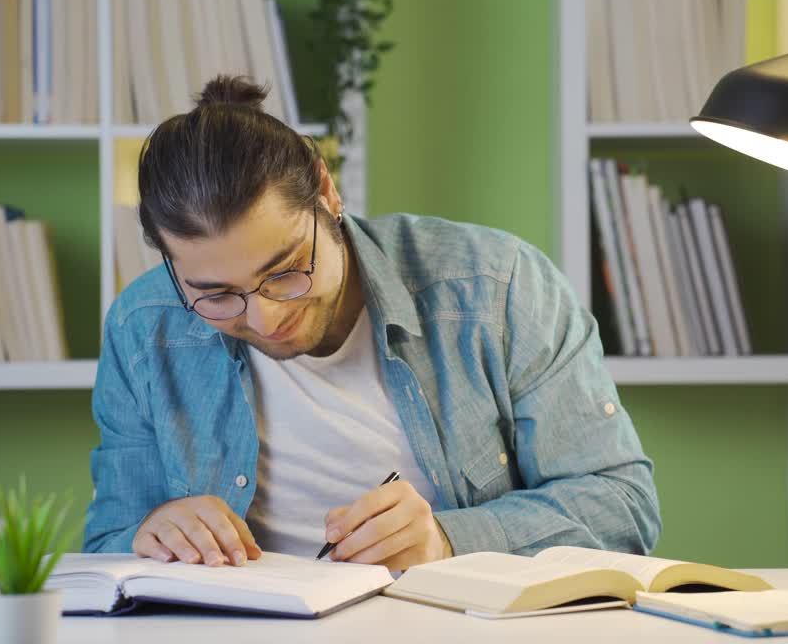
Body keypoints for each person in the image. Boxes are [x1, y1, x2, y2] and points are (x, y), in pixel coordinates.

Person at [83, 75, 660, 570]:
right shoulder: (143, 327)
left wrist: (447, 540)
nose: (265, 316)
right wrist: (152, 531)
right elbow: (108, 543)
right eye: (216, 296)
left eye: (284, 271)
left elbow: (621, 506)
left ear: (326, 190)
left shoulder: (497, 288)